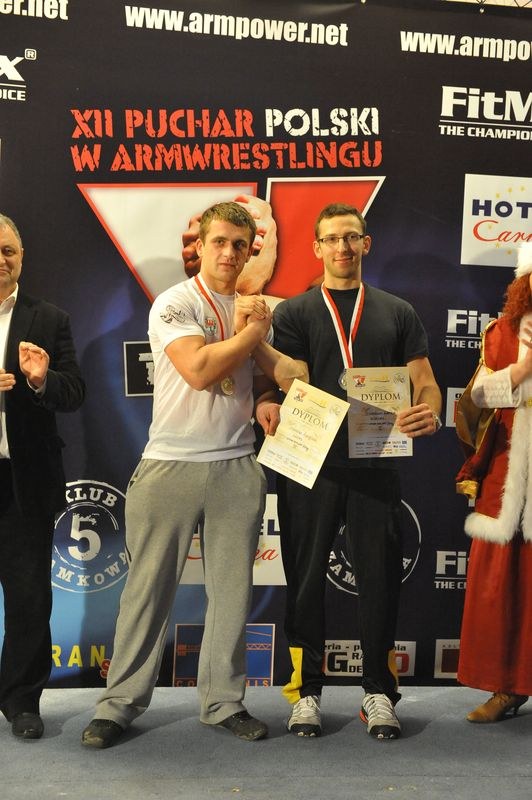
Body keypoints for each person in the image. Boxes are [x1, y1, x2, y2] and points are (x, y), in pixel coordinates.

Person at [82, 201, 305, 749]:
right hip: (171, 463)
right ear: (200, 247)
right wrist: (254, 335)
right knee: (147, 592)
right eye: (219, 242)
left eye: (240, 244)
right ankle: (118, 704)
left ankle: (223, 701)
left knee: (232, 594)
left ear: (251, 251)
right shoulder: (174, 303)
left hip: (236, 465)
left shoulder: (253, 311)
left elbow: (287, 375)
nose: (229, 252)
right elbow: (200, 370)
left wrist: (269, 392)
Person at [272, 202, 442, 739]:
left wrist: (430, 410)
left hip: (375, 460)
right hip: (310, 464)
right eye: (331, 238)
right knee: (304, 580)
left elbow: (424, 380)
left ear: (366, 244)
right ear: (316, 247)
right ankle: (306, 694)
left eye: (351, 237)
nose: (342, 247)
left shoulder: (397, 311)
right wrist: (270, 400)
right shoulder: (293, 313)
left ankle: (378, 692)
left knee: (380, 578)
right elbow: (280, 381)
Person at [0, 213, 85, 739]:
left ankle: (21, 702)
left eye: (8, 250)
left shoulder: (48, 318)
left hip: (24, 482)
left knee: (29, 596)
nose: (0, 259)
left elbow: (74, 392)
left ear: (22, 258)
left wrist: (39, 379)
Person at [455, 241, 532, 723]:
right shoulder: (500, 332)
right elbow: (474, 400)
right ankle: (509, 686)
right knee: (505, 586)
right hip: (508, 476)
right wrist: (519, 372)